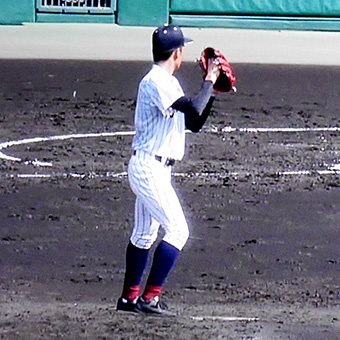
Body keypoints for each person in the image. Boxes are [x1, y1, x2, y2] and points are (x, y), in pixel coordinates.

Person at [117, 24, 220, 314]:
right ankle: (149, 298)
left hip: (156, 168)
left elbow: (194, 121)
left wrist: (210, 93)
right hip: (149, 167)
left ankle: (128, 300)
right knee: (178, 230)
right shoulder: (155, 81)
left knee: (144, 235)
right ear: (177, 53)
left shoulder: (168, 83)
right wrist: (209, 81)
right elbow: (194, 106)